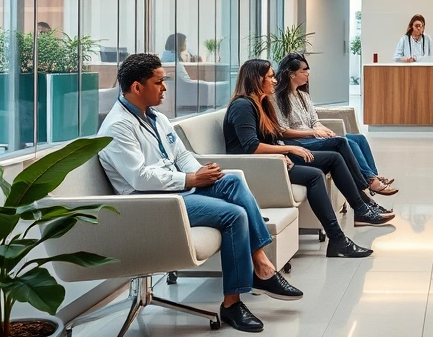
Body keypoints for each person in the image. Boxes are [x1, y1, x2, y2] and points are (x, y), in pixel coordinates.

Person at [98, 53, 302, 333]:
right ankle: (233, 303)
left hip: (178, 187)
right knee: (234, 215)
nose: (165, 88)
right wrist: (191, 178)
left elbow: (181, 154)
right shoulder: (118, 126)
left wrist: (203, 173)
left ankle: (261, 261)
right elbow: (140, 177)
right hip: (153, 202)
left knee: (232, 181)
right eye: (159, 82)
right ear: (136, 87)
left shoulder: (155, 117)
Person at [224, 58, 393, 241]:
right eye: (270, 77)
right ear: (256, 80)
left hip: (273, 160)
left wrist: (282, 151)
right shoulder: (242, 106)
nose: (275, 80)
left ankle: (358, 212)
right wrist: (286, 150)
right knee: (319, 171)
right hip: (258, 166)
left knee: (334, 157)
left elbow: (272, 136)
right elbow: (251, 147)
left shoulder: (261, 104)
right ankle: (347, 226)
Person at [275, 52, 397, 196]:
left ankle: (373, 176)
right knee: (344, 141)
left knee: (358, 138)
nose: (308, 73)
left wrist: (324, 130)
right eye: (304, 70)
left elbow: (314, 121)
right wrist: (313, 132)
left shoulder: (303, 95)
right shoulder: (278, 98)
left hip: (312, 138)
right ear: (291, 74)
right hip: (299, 141)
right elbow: (282, 131)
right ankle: (370, 181)